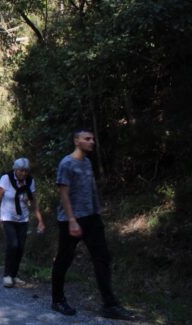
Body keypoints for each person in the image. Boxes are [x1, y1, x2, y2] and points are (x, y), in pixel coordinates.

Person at [50, 130, 134, 320]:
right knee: (64, 259)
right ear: (76, 141)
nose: (92, 142)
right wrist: (72, 220)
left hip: (92, 218)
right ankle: (57, 299)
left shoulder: (87, 162)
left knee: (102, 257)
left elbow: (90, 189)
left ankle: (109, 304)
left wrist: (98, 212)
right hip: (70, 220)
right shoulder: (66, 163)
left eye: (93, 139)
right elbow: (63, 194)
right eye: (87, 139)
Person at [0, 158, 45, 287]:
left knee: (20, 248)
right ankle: (7, 275)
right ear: (15, 169)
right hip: (8, 217)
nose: (23, 173)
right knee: (13, 245)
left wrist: (40, 220)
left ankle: (14, 276)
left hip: (23, 218)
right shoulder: (6, 179)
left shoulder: (30, 181)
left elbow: (33, 201)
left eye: (26, 171)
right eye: (21, 171)